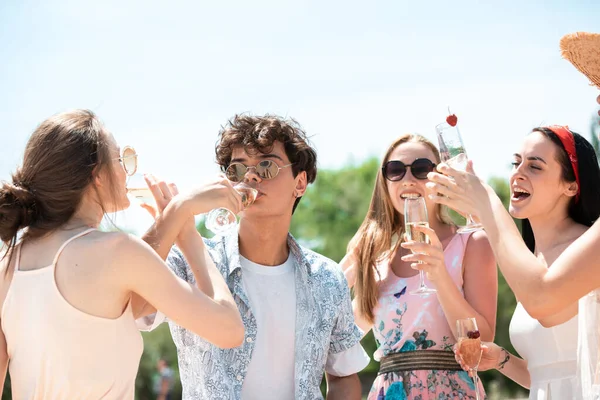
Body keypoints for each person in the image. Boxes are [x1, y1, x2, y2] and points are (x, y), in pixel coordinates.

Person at [0, 109, 244, 399]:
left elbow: (128, 303)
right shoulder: (120, 252)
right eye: (123, 159)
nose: (128, 170)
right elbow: (229, 330)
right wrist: (188, 232)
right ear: (97, 175)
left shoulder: (7, 263)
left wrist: (173, 217)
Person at [139, 114, 370, 400]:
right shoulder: (188, 260)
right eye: (237, 169)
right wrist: (177, 212)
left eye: (267, 165)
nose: (250, 176)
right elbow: (131, 300)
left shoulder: (327, 277)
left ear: (299, 184)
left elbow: (343, 377)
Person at [426, 95, 600, 400]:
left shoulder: (585, 245)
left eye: (535, 166)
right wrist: (503, 360)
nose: (517, 173)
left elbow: (542, 301)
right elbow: (552, 376)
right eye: (515, 162)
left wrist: (487, 203)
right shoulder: (529, 260)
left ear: (571, 186)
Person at [340, 133, 497, 400]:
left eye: (422, 169)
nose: (408, 179)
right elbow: (337, 332)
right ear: (385, 182)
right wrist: (354, 260)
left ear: (441, 178)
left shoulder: (473, 243)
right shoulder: (378, 262)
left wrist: (439, 276)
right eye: (396, 170)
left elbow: (482, 340)